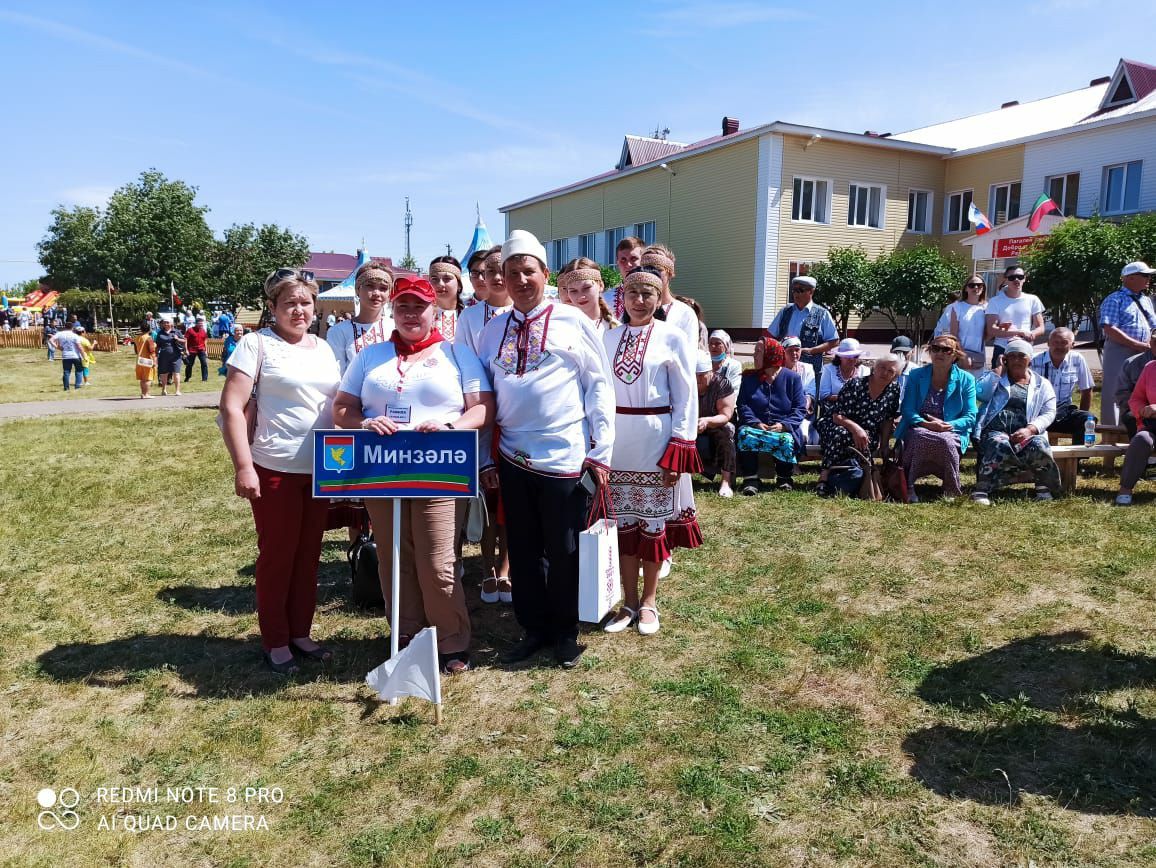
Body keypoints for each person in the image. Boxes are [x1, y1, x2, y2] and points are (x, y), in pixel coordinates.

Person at [332, 277, 494, 673]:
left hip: (439, 466)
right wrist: (364, 424)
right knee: (393, 555)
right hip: (381, 469)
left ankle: (450, 640)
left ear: (434, 310)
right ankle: (405, 633)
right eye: (402, 306)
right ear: (392, 309)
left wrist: (452, 427)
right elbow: (341, 409)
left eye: (418, 306)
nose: (410, 314)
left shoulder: (457, 354)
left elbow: (483, 408)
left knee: (437, 559)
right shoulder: (371, 356)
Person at [475, 229, 614, 668]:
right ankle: (533, 628)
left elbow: (599, 386)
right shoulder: (492, 331)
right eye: (511, 273)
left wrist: (601, 451)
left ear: (545, 273)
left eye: (527, 271)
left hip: (565, 455)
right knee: (524, 547)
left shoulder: (574, 322)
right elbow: (484, 398)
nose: (519, 279)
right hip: (512, 456)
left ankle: (565, 631)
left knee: (564, 547)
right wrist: (483, 458)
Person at [220, 268, 341, 675]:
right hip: (275, 467)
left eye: (305, 302)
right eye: (289, 303)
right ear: (272, 307)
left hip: (322, 469)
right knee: (278, 557)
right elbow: (231, 408)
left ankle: (300, 632)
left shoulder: (323, 348)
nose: (299, 310)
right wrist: (243, 467)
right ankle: (275, 640)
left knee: (309, 557)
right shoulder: (256, 345)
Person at [600, 268, 701, 636]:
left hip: (657, 439)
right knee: (624, 526)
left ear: (659, 299)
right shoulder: (608, 339)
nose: (640, 301)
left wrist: (680, 446)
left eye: (648, 294)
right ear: (622, 298)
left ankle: (649, 602)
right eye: (633, 293)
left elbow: (686, 397)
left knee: (652, 526)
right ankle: (627, 601)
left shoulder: (672, 337)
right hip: (618, 441)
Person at [455, 244, 512, 603]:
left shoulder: (529, 312)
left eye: (499, 270)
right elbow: (462, 365)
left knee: (511, 500)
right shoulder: (470, 317)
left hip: (516, 418)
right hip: (480, 413)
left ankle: (507, 568)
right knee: (484, 498)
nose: (494, 278)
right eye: (487, 272)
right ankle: (487, 566)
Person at [971, 338, 1060, 505]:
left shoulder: (1042, 384)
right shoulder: (996, 379)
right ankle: (983, 488)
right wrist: (998, 371)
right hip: (995, 431)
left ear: (1030, 360)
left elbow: (1049, 412)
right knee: (999, 444)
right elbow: (980, 393)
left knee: (1039, 445)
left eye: (1021, 356)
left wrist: (1031, 429)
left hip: (1026, 432)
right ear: (1005, 359)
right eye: (1012, 356)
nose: (1017, 360)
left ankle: (1043, 487)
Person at [894, 334, 977, 501]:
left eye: (946, 350)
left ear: (955, 355)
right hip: (919, 427)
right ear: (930, 351)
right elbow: (908, 409)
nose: (939, 353)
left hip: (951, 429)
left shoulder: (966, 379)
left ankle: (950, 488)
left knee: (946, 440)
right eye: (935, 348)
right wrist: (926, 424)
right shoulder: (916, 375)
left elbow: (971, 415)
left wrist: (947, 425)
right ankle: (908, 487)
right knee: (919, 436)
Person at [815, 355, 902, 497]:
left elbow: (888, 418)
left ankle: (854, 478)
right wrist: (856, 429)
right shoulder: (855, 384)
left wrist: (885, 444)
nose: (885, 373)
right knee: (842, 434)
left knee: (867, 440)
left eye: (890, 371)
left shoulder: (893, 389)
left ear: (895, 376)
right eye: (882, 368)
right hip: (837, 423)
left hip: (868, 431)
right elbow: (837, 416)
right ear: (874, 368)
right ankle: (824, 476)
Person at [737, 336, 806, 494]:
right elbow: (743, 405)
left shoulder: (792, 378)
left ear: (771, 354)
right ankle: (751, 479)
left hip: (782, 427)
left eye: (758, 352)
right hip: (756, 427)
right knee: (745, 434)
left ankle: (784, 478)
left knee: (785, 439)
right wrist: (754, 422)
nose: (754, 356)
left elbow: (799, 408)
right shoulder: (749, 379)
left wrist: (784, 425)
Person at [1098, 261, 1156, 426]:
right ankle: (1112, 430)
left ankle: (1138, 425)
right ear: (1130, 278)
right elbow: (1109, 328)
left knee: (1143, 388)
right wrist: (1137, 344)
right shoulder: (1114, 299)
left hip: (1146, 350)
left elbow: (1153, 325)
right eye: (1145, 275)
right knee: (1114, 389)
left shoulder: (1145, 300)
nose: (1149, 279)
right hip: (1120, 349)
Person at [767, 274, 839, 381]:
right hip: (783, 367)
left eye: (800, 290)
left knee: (807, 396)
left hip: (809, 369)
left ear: (811, 291)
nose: (796, 294)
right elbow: (771, 336)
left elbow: (834, 341)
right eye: (794, 290)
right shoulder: (785, 311)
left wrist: (811, 350)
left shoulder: (822, 314)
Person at [326, 262, 394, 376]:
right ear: (358, 289)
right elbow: (336, 376)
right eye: (370, 286)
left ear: (389, 294)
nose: (377, 293)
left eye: (383, 288)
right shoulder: (339, 332)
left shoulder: (396, 328)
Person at [1031, 327, 1095, 437]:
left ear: (1072, 344)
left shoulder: (1078, 360)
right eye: (1055, 342)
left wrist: (1082, 413)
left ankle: (1080, 454)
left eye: (1064, 342)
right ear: (1048, 343)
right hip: (1038, 413)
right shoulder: (1033, 361)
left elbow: (1087, 390)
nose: (1059, 346)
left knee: (1086, 419)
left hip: (1064, 413)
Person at [639, 245, 702, 352]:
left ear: (670, 273)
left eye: (658, 269)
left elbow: (689, 356)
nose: (652, 274)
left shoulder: (684, 313)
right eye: (646, 269)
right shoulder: (635, 309)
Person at [695, 348, 737, 498]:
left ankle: (726, 481)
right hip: (691, 423)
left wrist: (707, 421)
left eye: (701, 375)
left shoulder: (722, 384)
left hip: (715, 422)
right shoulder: (686, 383)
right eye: (694, 375)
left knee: (727, 430)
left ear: (710, 372)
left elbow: (726, 415)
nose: (697, 379)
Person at [1114, 358, 1156, 506]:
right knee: (1141, 440)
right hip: (1153, 426)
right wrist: (1142, 410)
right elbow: (1136, 399)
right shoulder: (1150, 367)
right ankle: (1125, 489)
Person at [985, 265, 1044, 369]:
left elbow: (1040, 327)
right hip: (1002, 348)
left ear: (1025, 279)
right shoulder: (995, 301)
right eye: (1012, 278)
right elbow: (991, 330)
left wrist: (1031, 334)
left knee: (1023, 381)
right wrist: (1019, 332)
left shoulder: (1032, 299)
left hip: (1024, 348)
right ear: (1005, 280)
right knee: (998, 382)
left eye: (1020, 277)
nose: (1016, 280)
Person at [558, 258, 618, 333]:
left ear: (601, 285)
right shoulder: (560, 328)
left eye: (587, 288)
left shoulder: (617, 329)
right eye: (573, 291)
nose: (581, 296)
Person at [1114, 332, 1156, 437]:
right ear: (1150, 343)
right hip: (1139, 412)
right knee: (1130, 418)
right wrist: (1142, 410)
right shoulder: (1131, 363)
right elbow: (1122, 395)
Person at [948, 275, 988, 371]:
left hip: (978, 356)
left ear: (983, 288)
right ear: (966, 288)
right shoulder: (957, 307)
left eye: (979, 285)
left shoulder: (987, 307)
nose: (976, 288)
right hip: (960, 354)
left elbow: (988, 332)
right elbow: (954, 335)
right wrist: (964, 356)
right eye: (972, 285)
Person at [782, 336, 818, 441]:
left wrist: (802, 409)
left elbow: (810, 393)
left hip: (802, 411)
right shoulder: (778, 368)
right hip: (783, 410)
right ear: (783, 351)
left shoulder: (807, 368)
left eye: (797, 350)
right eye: (790, 351)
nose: (794, 353)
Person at [603, 236, 645, 322]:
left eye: (633, 259)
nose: (628, 264)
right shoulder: (606, 299)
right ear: (617, 263)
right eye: (623, 260)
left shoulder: (653, 296)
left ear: (643, 260)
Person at [819, 338, 870, 405]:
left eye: (855, 356)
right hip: (835, 408)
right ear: (840, 356)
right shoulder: (828, 369)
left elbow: (869, 394)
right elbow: (823, 395)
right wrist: (845, 398)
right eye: (848, 356)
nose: (851, 359)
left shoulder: (865, 371)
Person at [428, 255, 464, 342]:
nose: (440, 284)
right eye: (435, 279)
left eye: (447, 278)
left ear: (459, 285)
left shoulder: (470, 316)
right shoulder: (423, 316)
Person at [49, 321, 85, 391]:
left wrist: (57, 347)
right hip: (75, 355)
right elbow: (79, 346)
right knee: (79, 370)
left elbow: (51, 340)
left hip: (66, 355)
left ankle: (66, 388)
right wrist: (84, 355)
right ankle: (77, 386)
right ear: (72, 327)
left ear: (64, 327)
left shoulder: (60, 334)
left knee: (66, 371)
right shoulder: (75, 335)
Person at [154, 316, 185, 396]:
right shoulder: (160, 333)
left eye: (167, 322)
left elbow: (184, 341)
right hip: (164, 356)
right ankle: (164, 389)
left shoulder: (176, 331)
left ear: (171, 323)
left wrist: (178, 339)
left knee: (176, 372)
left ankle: (177, 390)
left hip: (176, 355)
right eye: (164, 323)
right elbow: (158, 345)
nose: (166, 324)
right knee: (164, 373)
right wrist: (155, 356)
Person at [890, 336, 919, 400]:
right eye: (897, 352)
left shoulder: (918, 372)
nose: (901, 355)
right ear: (891, 352)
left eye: (905, 352)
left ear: (912, 351)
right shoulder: (886, 370)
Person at [133, 320, 157, 398]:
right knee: (148, 378)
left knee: (142, 378)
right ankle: (146, 394)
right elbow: (152, 351)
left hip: (139, 360)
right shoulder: (148, 338)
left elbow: (136, 350)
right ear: (149, 329)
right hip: (147, 360)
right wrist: (154, 361)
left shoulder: (137, 338)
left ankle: (143, 393)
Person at [184, 314, 210, 382]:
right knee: (189, 364)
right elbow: (185, 339)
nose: (201, 325)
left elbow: (205, 340)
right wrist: (186, 349)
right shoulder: (190, 330)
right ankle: (187, 377)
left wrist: (206, 350)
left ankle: (204, 378)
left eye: (202, 324)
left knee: (204, 363)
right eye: (200, 324)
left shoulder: (203, 330)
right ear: (196, 323)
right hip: (192, 350)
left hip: (201, 349)